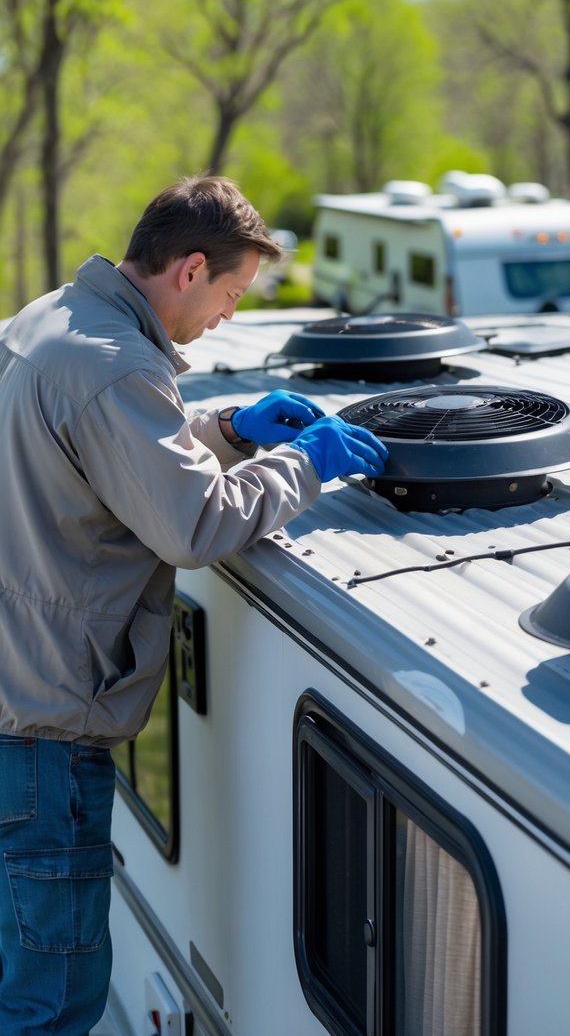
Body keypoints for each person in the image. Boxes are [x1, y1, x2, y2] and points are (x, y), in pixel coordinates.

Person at [0, 175, 387, 1034]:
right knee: (52, 1006)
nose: (229, 316)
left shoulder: (53, 318)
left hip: (11, 708)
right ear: (192, 268)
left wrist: (233, 430)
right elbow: (197, 522)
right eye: (231, 293)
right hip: (44, 739)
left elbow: (104, 464)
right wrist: (308, 462)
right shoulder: (117, 363)